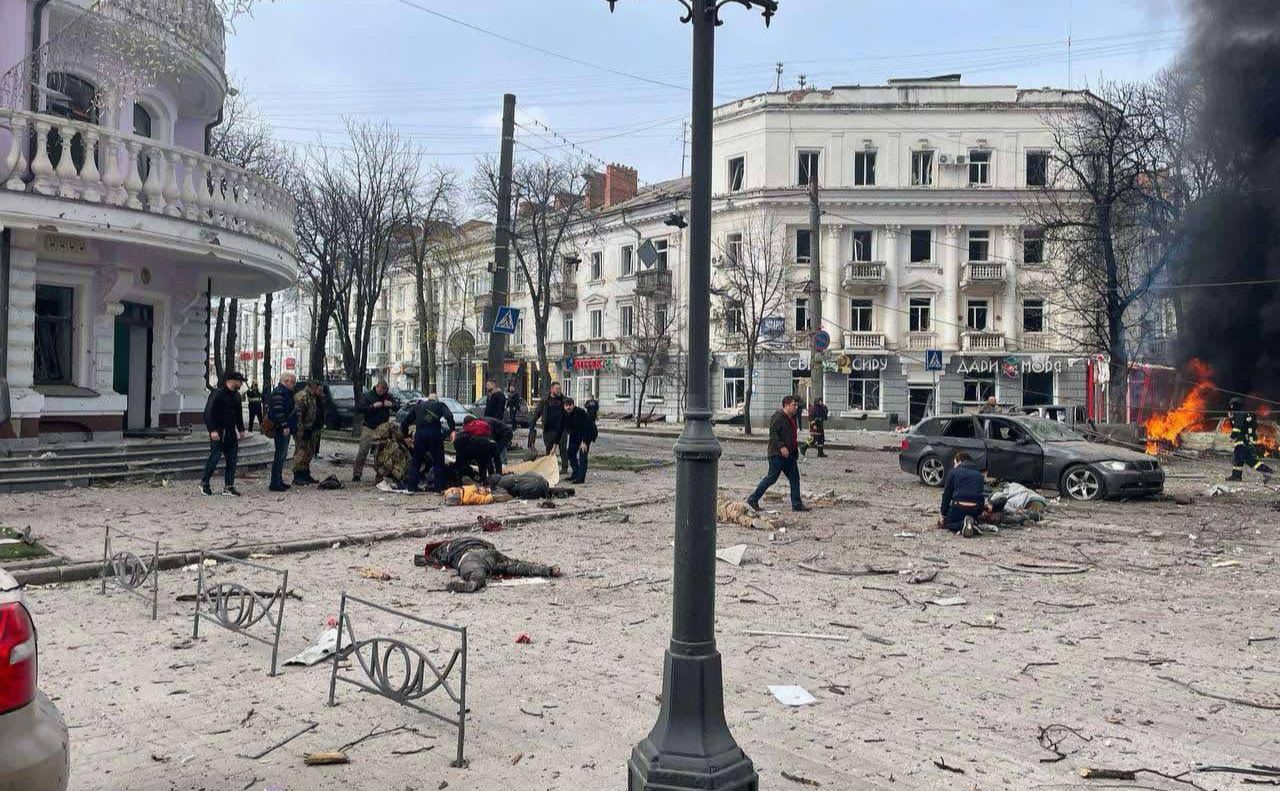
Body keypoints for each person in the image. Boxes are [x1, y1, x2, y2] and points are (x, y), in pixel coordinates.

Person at [420, 537, 561, 593]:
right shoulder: (476, 539)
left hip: (469, 556)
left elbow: (440, 558)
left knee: (476, 572)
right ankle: (547, 570)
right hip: (488, 553)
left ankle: (473, 584)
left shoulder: (447, 547)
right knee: (515, 566)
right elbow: (491, 546)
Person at [746, 396, 809, 512]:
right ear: (786, 405)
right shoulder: (778, 417)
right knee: (771, 478)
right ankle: (752, 499)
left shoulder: (791, 418)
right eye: (793, 405)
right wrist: (781, 447)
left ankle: (797, 504)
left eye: (796, 405)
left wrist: (795, 450)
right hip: (777, 454)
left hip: (789, 455)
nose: (796, 407)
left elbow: (791, 436)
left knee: (795, 477)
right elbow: (773, 434)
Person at [200, 371, 246, 497]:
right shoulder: (217, 394)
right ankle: (204, 482)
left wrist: (241, 429)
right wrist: (212, 430)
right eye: (240, 381)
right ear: (232, 380)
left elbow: (238, 415)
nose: (241, 384)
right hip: (219, 431)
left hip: (231, 432)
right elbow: (208, 413)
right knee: (215, 457)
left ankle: (228, 486)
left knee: (232, 459)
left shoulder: (237, 396)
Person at [401, 392, 456, 493]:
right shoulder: (440, 405)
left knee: (416, 462)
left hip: (420, 437)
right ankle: (439, 489)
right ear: (436, 400)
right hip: (435, 437)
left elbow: (405, 421)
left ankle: (411, 488)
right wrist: (452, 430)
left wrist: (406, 436)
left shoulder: (418, 406)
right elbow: (449, 416)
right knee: (439, 462)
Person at [353, 380, 400, 482]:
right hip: (369, 426)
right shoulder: (368, 396)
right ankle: (357, 473)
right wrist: (372, 406)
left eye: (384, 390)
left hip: (383, 428)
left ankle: (380, 475)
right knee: (363, 450)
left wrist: (391, 404)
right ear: (377, 387)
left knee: (382, 453)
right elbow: (359, 408)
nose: (382, 392)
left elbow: (397, 406)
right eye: (380, 390)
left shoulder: (388, 396)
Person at [1227, 397, 1274, 482]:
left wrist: (1232, 437)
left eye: (1231, 405)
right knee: (1238, 460)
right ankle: (1236, 476)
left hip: (1243, 442)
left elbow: (1237, 427)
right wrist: (1231, 419)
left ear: (1234, 405)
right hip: (1242, 441)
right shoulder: (1244, 413)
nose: (1231, 407)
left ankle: (1267, 471)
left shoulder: (1240, 413)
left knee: (1250, 460)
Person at [940, 452, 986, 537]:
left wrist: (943, 514)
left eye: (955, 463)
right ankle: (972, 523)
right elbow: (981, 495)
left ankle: (963, 525)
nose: (954, 466)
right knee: (968, 516)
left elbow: (947, 495)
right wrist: (979, 511)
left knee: (947, 523)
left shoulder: (953, 472)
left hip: (959, 506)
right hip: (974, 508)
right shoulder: (979, 474)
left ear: (959, 461)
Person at [266, 372, 297, 492]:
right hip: (281, 428)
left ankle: (278, 480)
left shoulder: (285, 392)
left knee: (282, 456)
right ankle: (275, 483)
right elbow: (278, 411)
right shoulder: (279, 392)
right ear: (286, 381)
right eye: (293, 382)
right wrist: (284, 425)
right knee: (280, 455)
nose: (294, 385)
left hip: (284, 427)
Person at [292, 380, 325, 486]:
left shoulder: (315, 397)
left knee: (309, 453)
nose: (321, 392)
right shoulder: (302, 397)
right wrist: (301, 432)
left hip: (313, 429)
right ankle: (297, 476)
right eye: (319, 390)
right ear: (314, 388)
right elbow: (298, 416)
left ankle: (305, 474)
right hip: (303, 430)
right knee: (301, 453)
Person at [532, 381, 569, 473]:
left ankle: (564, 468)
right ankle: (549, 467)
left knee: (563, 448)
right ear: (552, 389)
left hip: (561, 429)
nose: (559, 391)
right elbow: (537, 412)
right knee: (548, 449)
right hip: (549, 429)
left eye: (560, 389)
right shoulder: (545, 400)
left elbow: (570, 410)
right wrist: (532, 424)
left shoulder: (563, 400)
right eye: (557, 389)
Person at [566, 396, 598, 484]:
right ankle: (575, 473)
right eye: (566, 405)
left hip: (588, 433)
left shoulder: (580, 412)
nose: (568, 407)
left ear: (573, 405)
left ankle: (581, 478)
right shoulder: (565, 414)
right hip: (576, 434)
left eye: (570, 405)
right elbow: (562, 428)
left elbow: (586, 427)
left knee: (582, 454)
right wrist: (556, 443)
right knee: (570, 452)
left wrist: (584, 442)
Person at [454, 416, 496, 480]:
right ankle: (488, 479)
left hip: (471, 451)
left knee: (460, 458)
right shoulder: (483, 427)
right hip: (486, 448)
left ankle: (460, 479)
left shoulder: (466, 431)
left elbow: (458, 444)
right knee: (485, 463)